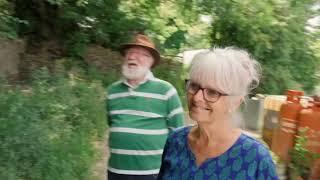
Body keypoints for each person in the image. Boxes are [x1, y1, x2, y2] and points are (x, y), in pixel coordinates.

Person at [158, 48, 279, 179]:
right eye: (194, 86)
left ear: (235, 102)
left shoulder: (256, 158)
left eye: (212, 92)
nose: (197, 97)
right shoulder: (175, 140)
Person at [106, 33, 184, 180]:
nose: (132, 57)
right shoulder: (112, 91)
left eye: (141, 54)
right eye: (130, 53)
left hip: (152, 173)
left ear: (151, 61)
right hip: (116, 171)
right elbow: (113, 124)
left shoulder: (166, 91)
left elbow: (179, 135)